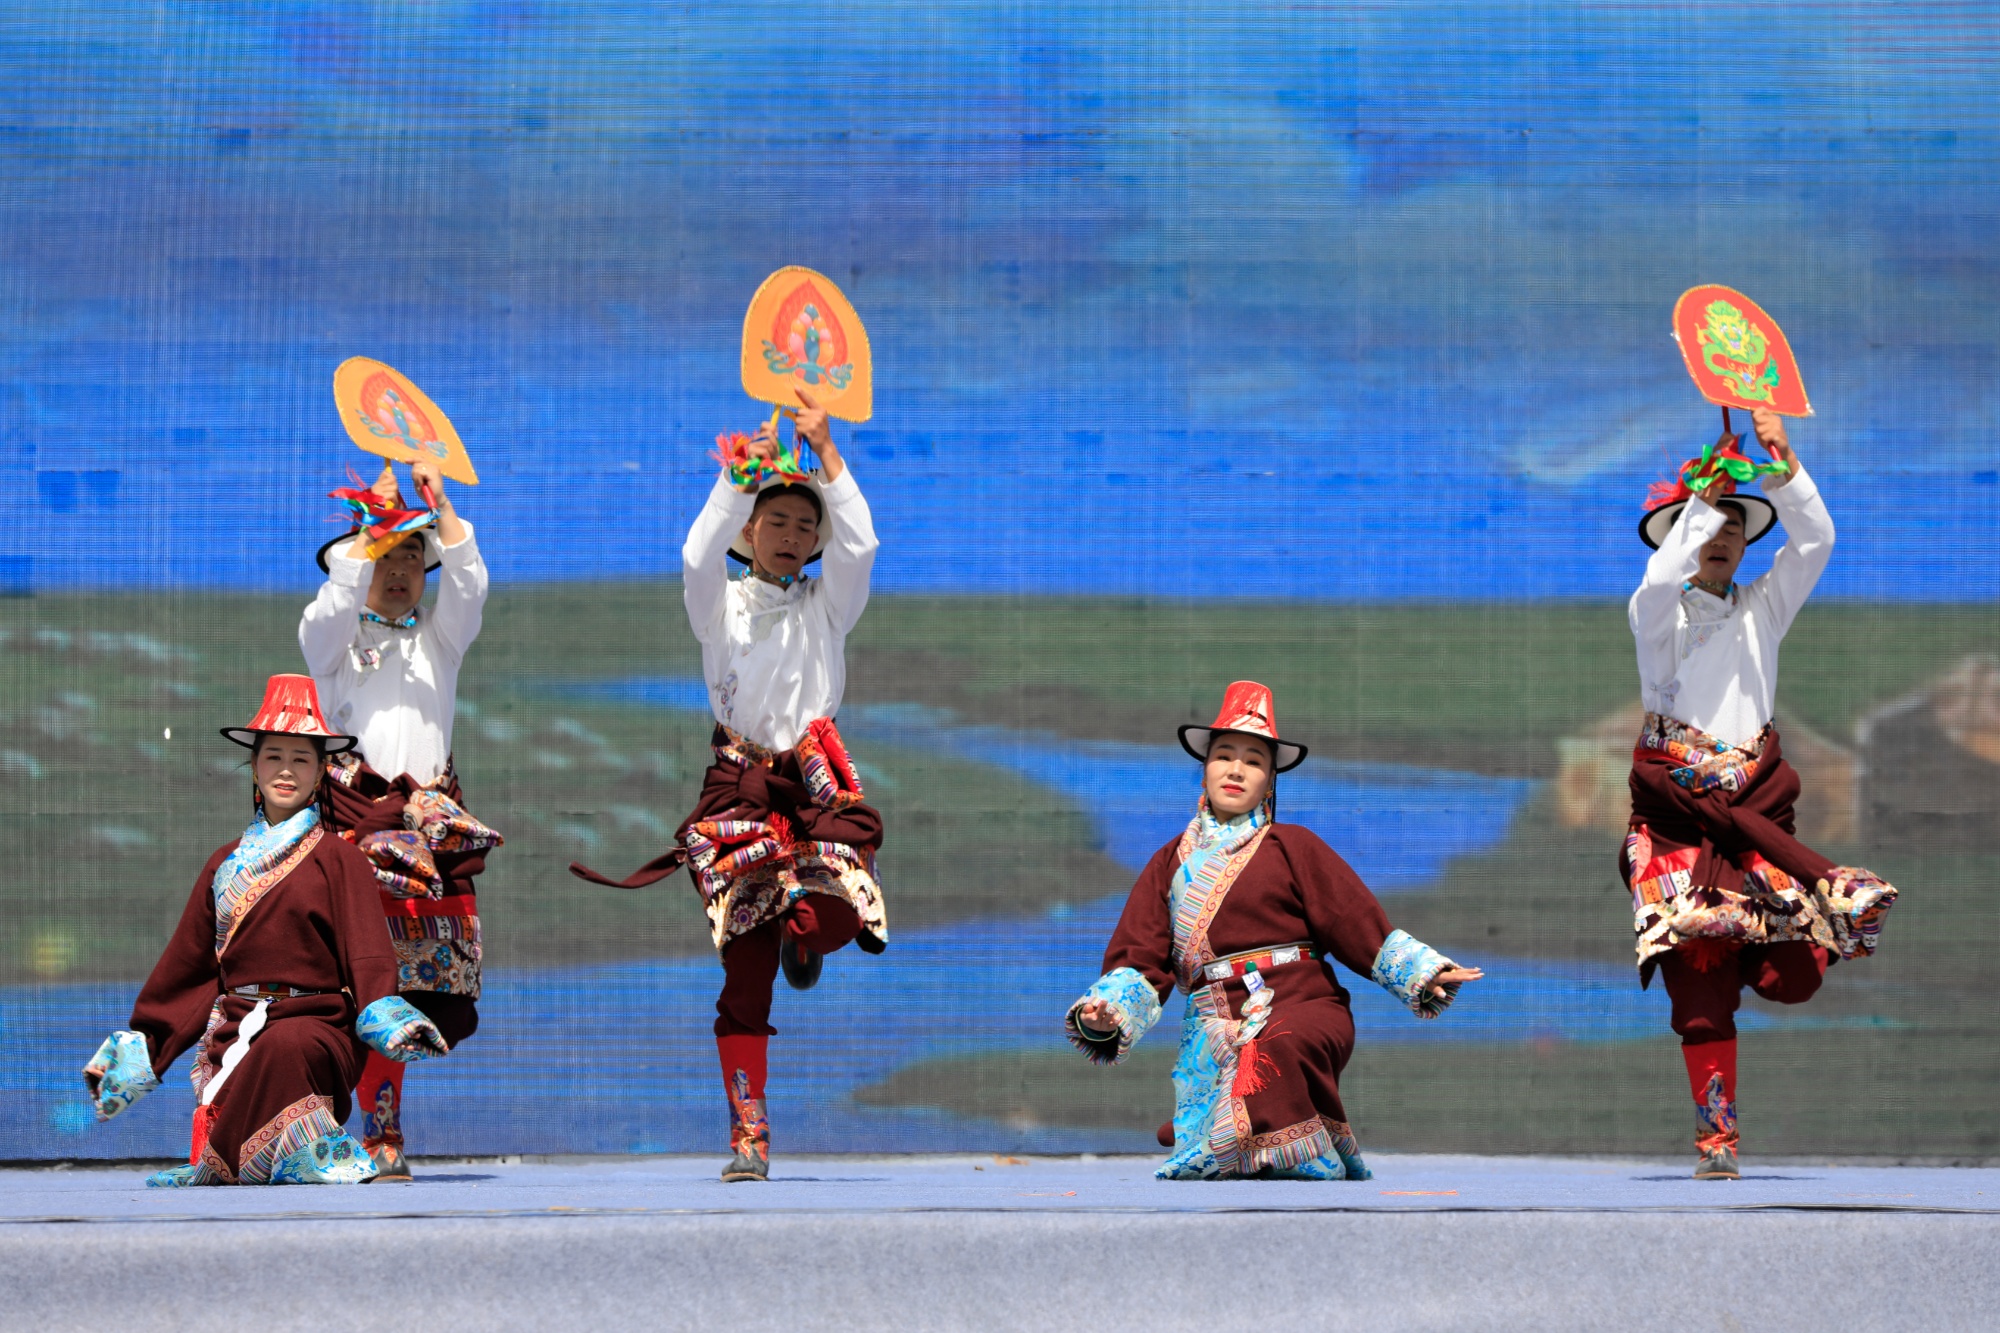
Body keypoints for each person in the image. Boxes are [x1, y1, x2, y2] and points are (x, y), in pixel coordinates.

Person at [571, 387, 886, 1182]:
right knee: (744, 968)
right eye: (777, 521)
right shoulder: (719, 608)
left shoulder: (830, 607)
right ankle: (749, 1130)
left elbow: (863, 547)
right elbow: (693, 557)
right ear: (749, 529)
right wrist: (738, 475)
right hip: (737, 789)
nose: (793, 535)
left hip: (813, 786)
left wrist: (828, 453)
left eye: (806, 524)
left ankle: (800, 932)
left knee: (831, 914)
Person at [1624, 408, 1899, 1179]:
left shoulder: (1762, 610)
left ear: (1747, 543)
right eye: (1709, 525)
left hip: (1754, 815)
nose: (1722, 536)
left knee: (1795, 974)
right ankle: (1717, 1142)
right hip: (1679, 825)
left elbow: (1816, 542)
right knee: (1699, 987)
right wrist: (1706, 498)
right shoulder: (1656, 617)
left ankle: (1751, 938)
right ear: (1684, 534)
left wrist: (1782, 463)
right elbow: (1658, 580)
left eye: (1735, 527)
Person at [1063, 681, 1482, 1180]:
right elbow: (1140, 956)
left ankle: (1288, 1151)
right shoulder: (1168, 864)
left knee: (1279, 1041)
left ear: (1270, 782)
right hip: (1215, 1023)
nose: (1236, 770)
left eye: (1253, 761)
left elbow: (1355, 922)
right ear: (1205, 769)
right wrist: (1106, 1013)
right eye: (1224, 756)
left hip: (1303, 1002)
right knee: (1228, 1109)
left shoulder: (1294, 847)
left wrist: (1423, 972)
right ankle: (1239, 1137)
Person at [81, 675, 448, 1186]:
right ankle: (261, 1156)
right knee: (267, 1047)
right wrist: (144, 1050)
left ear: (320, 773)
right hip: (237, 1030)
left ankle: (256, 1159)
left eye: (301, 759)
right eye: (274, 756)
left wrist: (387, 1017)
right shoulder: (223, 865)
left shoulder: (340, 859)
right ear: (255, 767)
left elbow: (368, 955)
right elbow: (190, 972)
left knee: (289, 1044)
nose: (286, 770)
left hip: (319, 1028)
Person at [298, 458, 501, 1180]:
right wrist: (371, 526)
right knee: (349, 986)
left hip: (425, 836)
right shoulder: (332, 642)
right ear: (360, 563)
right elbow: (328, 612)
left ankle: (382, 1128)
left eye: (413, 557)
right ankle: (340, 1128)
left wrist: (438, 506)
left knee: (417, 992)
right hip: (351, 831)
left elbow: (469, 588)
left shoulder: (438, 641)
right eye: (386, 556)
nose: (399, 570)